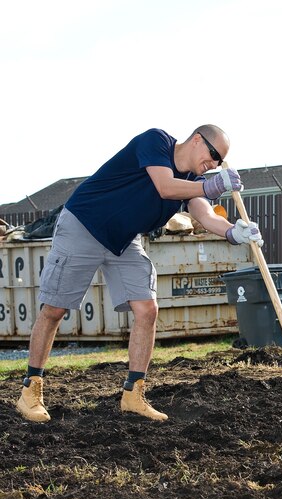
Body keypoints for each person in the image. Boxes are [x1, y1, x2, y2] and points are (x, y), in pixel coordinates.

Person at [16, 125, 263, 423]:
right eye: (213, 156)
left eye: (219, 163)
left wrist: (234, 232)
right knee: (55, 308)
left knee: (147, 309)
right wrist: (209, 186)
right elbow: (164, 186)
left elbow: (205, 214)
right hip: (85, 224)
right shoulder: (156, 142)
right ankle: (30, 391)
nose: (213, 165)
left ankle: (133, 394)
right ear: (197, 140)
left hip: (124, 238)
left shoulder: (193, 180)